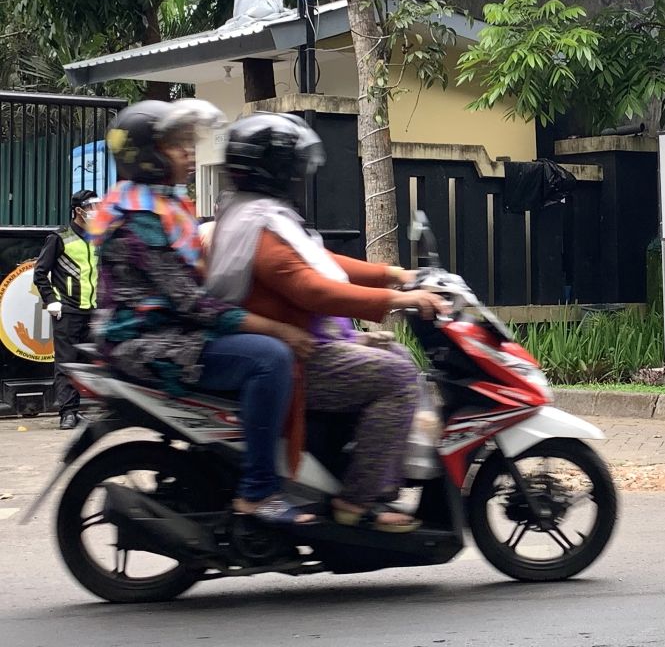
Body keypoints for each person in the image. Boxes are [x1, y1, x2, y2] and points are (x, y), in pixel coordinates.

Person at [207, 113, 448, 533]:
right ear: (277, 169)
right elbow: (311, 288)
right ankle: (358, 502)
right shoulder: (256, 226)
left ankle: (363, 471)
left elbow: (321, 261)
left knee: (396, 353)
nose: (301, 174)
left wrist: (393, 273)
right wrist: (398, 297)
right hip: (299, 355)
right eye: (294, 165)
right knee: (396, 377)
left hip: (304, 340)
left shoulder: (254, 213)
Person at [90, 100, 317, 526]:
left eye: (188, 144)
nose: (189, 154)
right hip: (147, 342)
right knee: (270, 359)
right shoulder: (138, 220)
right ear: (147, 156)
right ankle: (258, 492)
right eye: (177, 145)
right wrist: (280, 330)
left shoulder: (160, 205)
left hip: (167, 331)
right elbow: (194, 304)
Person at [34, 189, 101, 429]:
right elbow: (40, 272)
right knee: (66, 362)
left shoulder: (98, 237)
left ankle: (85, 408)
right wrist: (51, 299)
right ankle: (68, 413)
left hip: (92, 309)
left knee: (89, 361)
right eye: (91, 207)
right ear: (78, 211)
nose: (95, 212)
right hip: (68, 310)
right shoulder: (59, 237)